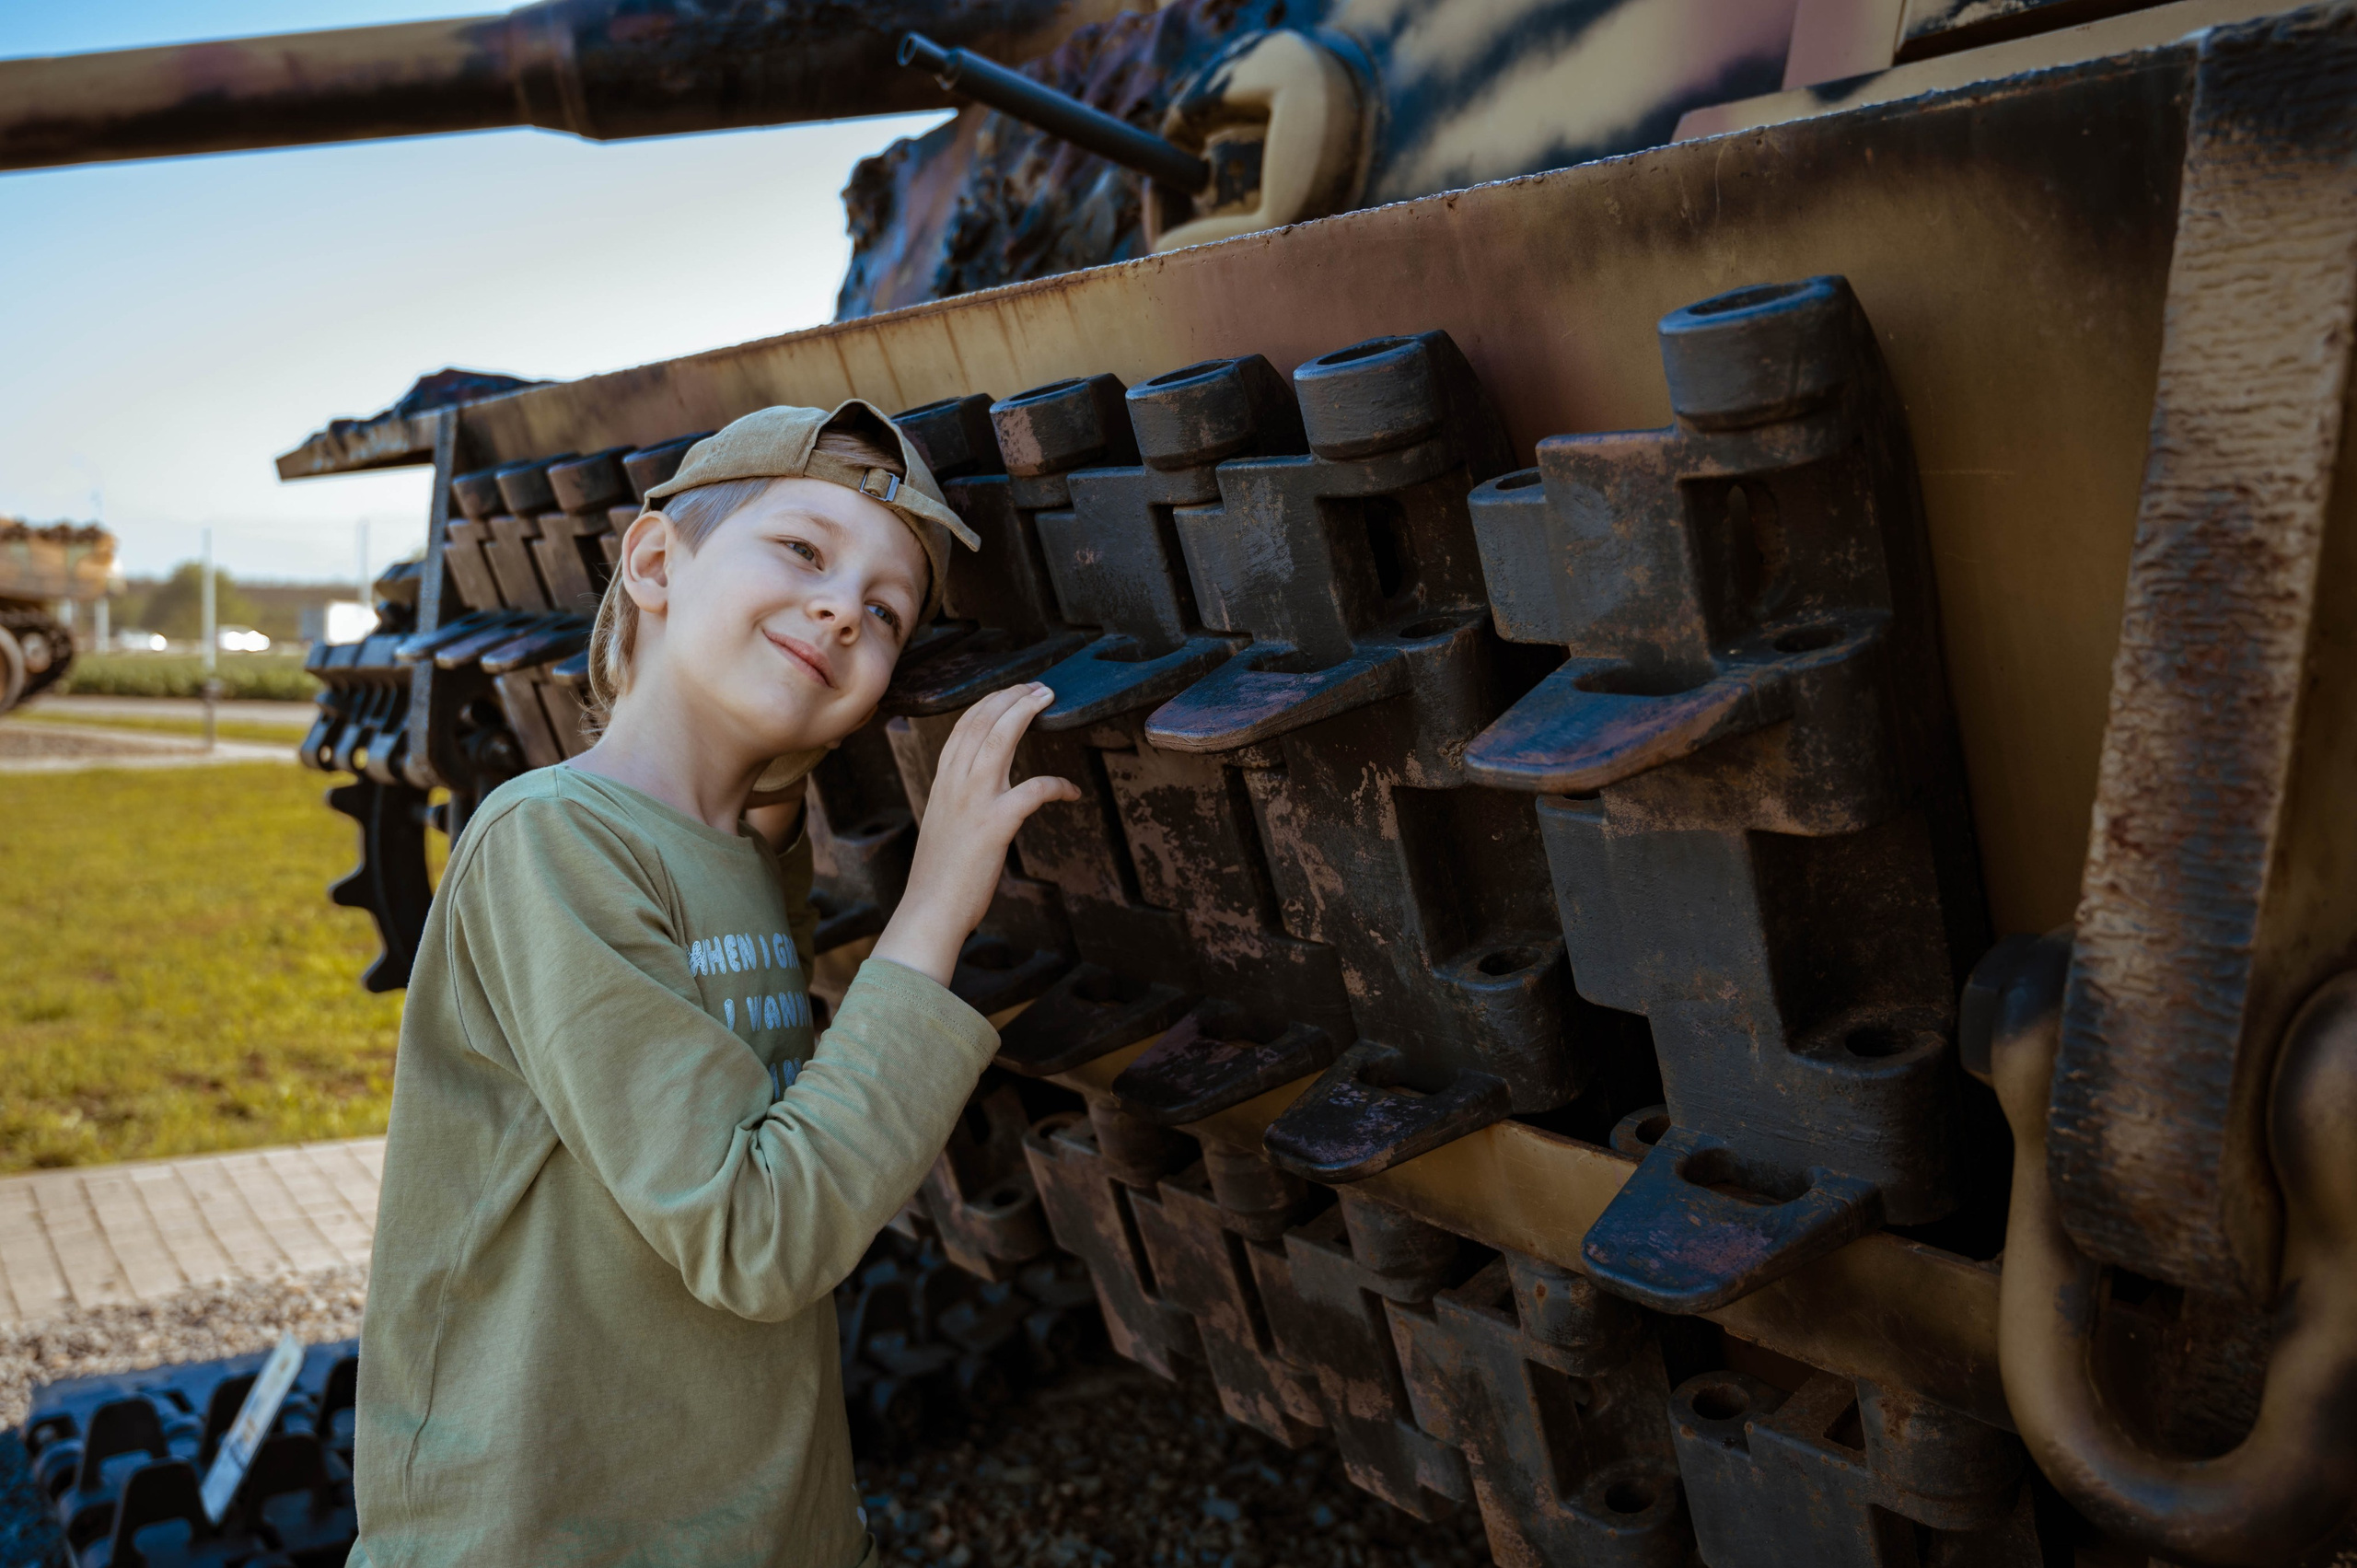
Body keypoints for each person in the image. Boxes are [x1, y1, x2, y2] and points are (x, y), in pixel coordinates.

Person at [351, 401, 1080, 1568]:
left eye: (886, 613)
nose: (842, 607)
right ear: (654, 563)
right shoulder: (553, 843)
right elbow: (757, 1234)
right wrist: (937, 896)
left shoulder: (740, 860)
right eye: (801, 549)